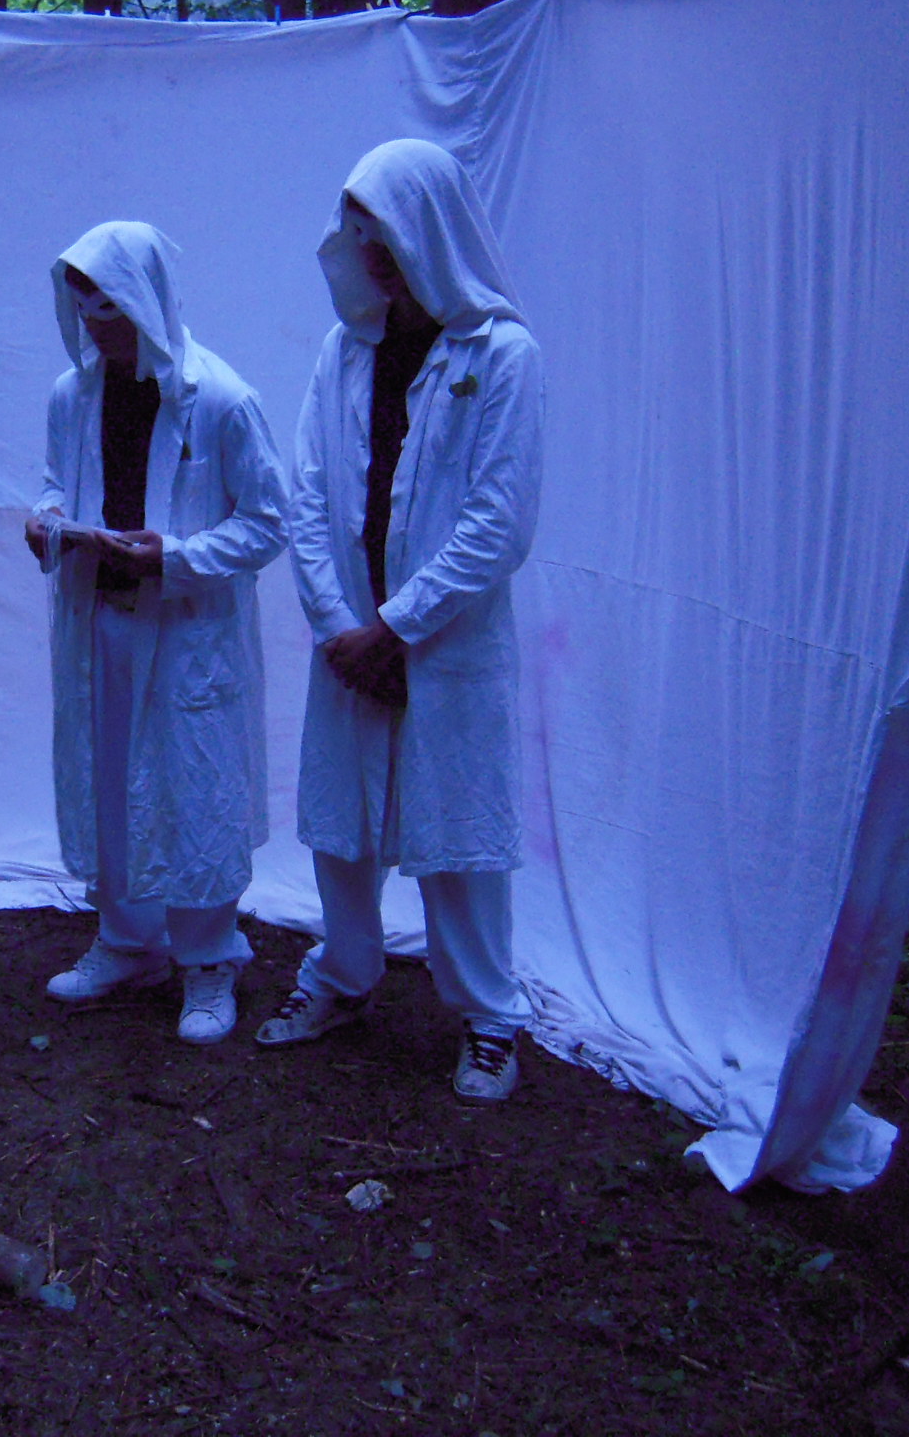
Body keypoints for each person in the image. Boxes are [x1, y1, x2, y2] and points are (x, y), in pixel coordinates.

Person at [256, 139, 542, 1104]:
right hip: (349, 643)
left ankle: (489, 1016)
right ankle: (342, 976)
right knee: (343, 828)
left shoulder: (501, 356)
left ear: (431, 229)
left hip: (446, 646)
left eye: (384, 230)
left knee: (457, 836)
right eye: (358, 233)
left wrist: (400, 626)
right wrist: (341, 623)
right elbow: (306, 493)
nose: (369, 252)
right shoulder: (345, 352)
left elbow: (499, 521)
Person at [25, 222, 289, 1045]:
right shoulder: (72, 396)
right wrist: (46, 519)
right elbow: (55, 480)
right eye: (84, 311)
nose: (97, 328)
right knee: (110, 778)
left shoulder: (222, 400)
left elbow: (268, 522)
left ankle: (208, 960)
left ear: (147, 300)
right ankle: (126, 939)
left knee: (195, 788)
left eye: (111, 310)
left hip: (187, 630)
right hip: (100, 617)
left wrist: (174, 556)